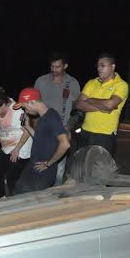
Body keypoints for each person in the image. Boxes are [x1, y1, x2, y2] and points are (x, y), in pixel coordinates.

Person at [12, 88, 70, 194]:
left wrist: (49, 163)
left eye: (25, 107)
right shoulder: (43, 116)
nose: (26, 111)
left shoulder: (51, 117)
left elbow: (65, 144)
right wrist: (28, 127)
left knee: (27, 200)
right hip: (33, 165)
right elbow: (41, 139)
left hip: (43, 171)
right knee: (18, 192)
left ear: (31, 102)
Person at [34, 52, 81, 185]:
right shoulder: (41, 81)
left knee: (59, 169)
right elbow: (33, 106)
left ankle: (55, 195)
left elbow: (77, 109)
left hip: (62, 129)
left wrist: (69, 127)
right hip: (43, 130)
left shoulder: (72, 83)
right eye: (52, 66)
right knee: (39, 163)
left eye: (58, 67)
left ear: (65, 66)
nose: (54, 70)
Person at [75, 52, 129, 158]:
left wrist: (89, 100)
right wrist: (103, 107)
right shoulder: (91, 82)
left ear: (112, 67)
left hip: (105, 135)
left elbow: (110, 104)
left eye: (103, 65)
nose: (99, 68)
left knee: (99, 170)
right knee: (81, 168)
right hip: (85, 131)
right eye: (98, 65)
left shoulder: (121, 85)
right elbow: (79, 104)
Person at [0, 87, 32, 197]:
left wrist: (17, 149)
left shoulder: (18, 112)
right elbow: (1, 125)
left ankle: (13, 200)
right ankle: (1, 197)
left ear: (3, 105)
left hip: (21, 149)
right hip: (7, 147)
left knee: (12, 177)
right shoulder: (0, 110)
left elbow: (27, 131)